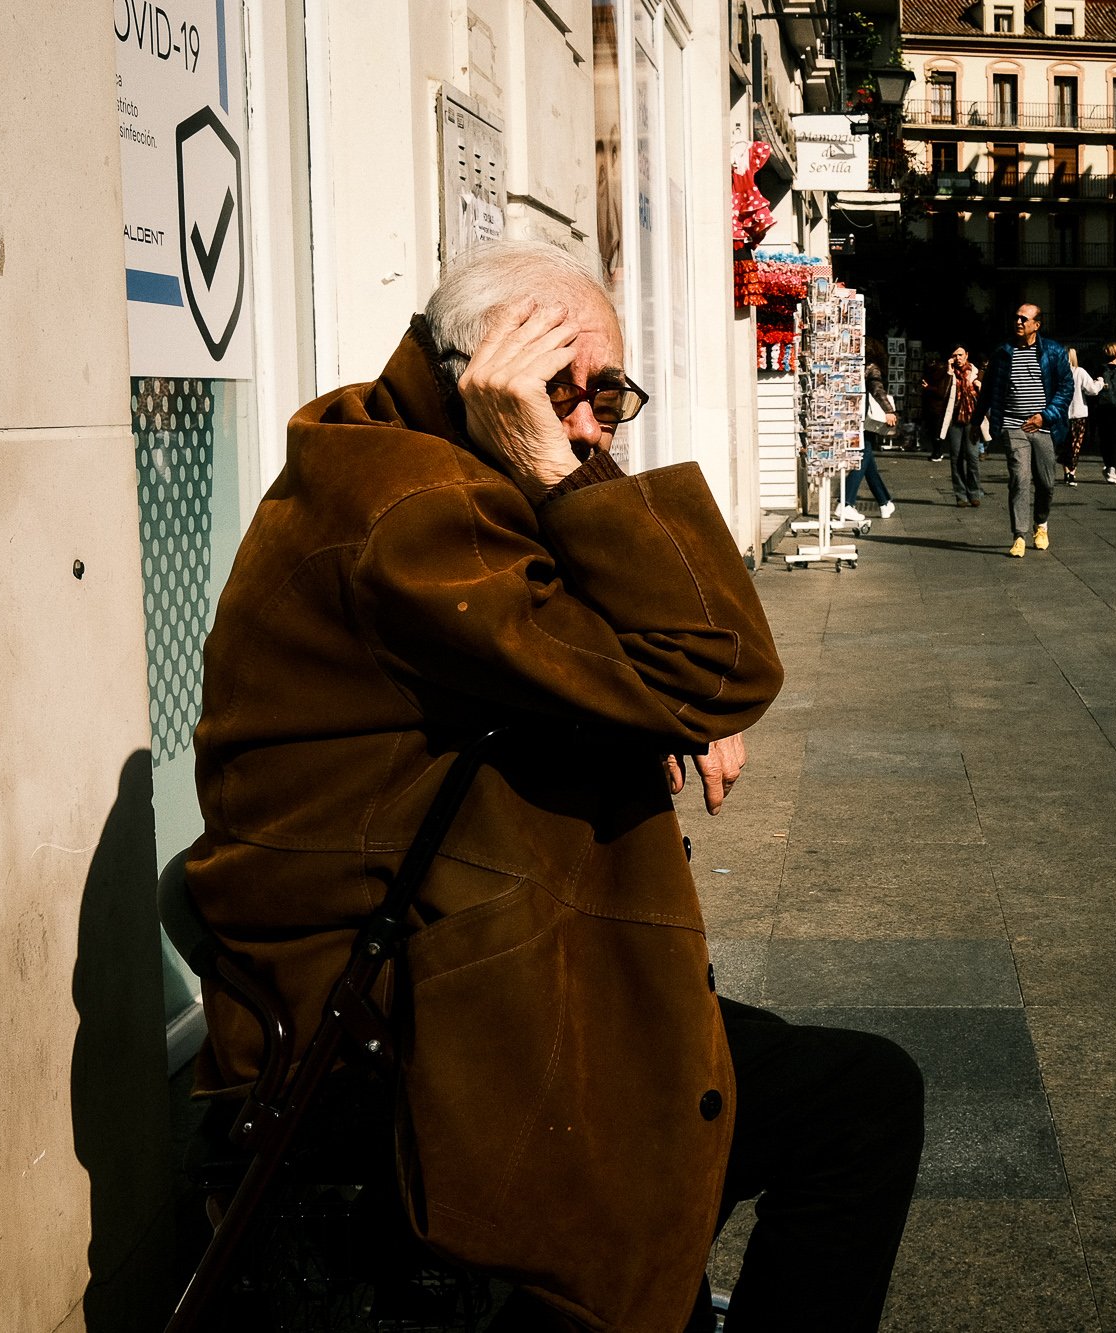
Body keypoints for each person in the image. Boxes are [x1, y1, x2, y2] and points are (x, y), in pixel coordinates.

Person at [185, 239, 924, 1333]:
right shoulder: (414, 509)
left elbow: (647, 664)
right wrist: (567, 481)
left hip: (488, 953)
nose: (584, 427)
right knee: (851, 1108)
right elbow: (720, 660)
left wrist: (648, 712)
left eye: (608, 396)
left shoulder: (399, 458)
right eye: (553, 391)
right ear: (474, 380)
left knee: (847, 1092)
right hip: (434, 1017)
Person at [974, 302, 1074, 558]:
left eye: (1024, 319)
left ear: (1036, 325)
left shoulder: (1053, 351)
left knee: (1046, 482)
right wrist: (976, 422)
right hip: (1012, 424)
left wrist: (1045, 416)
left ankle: (1041, 524)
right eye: (1016, 318)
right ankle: (1019, 534)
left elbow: (1065, 389)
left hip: (1044, 427)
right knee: (1019, 479)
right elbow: (989, 390)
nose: (1018, 322)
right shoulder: (1003, 352)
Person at [839, 356, 896, 522]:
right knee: (863, 456)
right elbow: (877, 389)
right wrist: (889, 410)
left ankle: (884, 502)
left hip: (855, 417)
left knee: (867, 459)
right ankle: (846, 503)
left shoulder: (852, 365)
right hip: (863, 420)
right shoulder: (871, 366)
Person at [940, 345, 984, 507]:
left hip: (972, 420)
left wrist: (979, 387)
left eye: (960, 355)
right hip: (954, 420)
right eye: (954, 355)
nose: (958, 358)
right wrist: (948, 371)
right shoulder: (949, 374)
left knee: (972, 457)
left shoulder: (976, 373)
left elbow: (986, 396)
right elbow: (941, 393)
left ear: (967, 355)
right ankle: (960, 495)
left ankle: (974, 492)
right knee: (956, 457)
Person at [1062, 347, 1105, 486]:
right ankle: (1072, 472)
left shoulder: (1057, 372)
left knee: (1065, 444)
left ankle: (1066, 471)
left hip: (1061, 413)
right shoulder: (1079, 372)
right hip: (1078, 412)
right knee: (1076, 444)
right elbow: (1091, 390)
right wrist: (1100, 382)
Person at [1092, 342, 1116, 485]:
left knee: (1106, 438)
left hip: (1103, 409)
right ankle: (1112, 469)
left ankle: (1109, 465)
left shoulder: (1099, 369)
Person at [919, 357, 948, 462]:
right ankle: (937, 451)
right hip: (935, 407)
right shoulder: (940, 372)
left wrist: (928, 388)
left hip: (936, 407)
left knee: (935, 430)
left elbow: (941, 391)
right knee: (935, 430)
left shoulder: (938, 373)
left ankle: (937, 452)